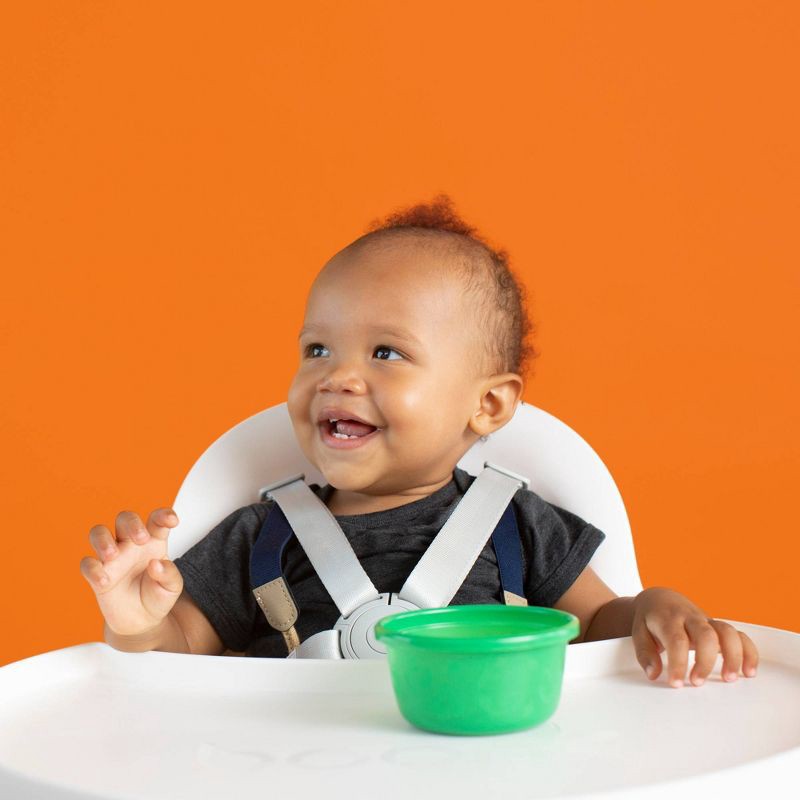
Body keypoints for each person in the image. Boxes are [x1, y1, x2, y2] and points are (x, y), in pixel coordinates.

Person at [79, 194, 759, 688]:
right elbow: (171, 667)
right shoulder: (261, 539)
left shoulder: (518, 527)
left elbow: (605, 622)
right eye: (317, 348)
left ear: (488, 404)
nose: (336, 376)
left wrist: (658, 608)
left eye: (386, 353)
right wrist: (137, 625)